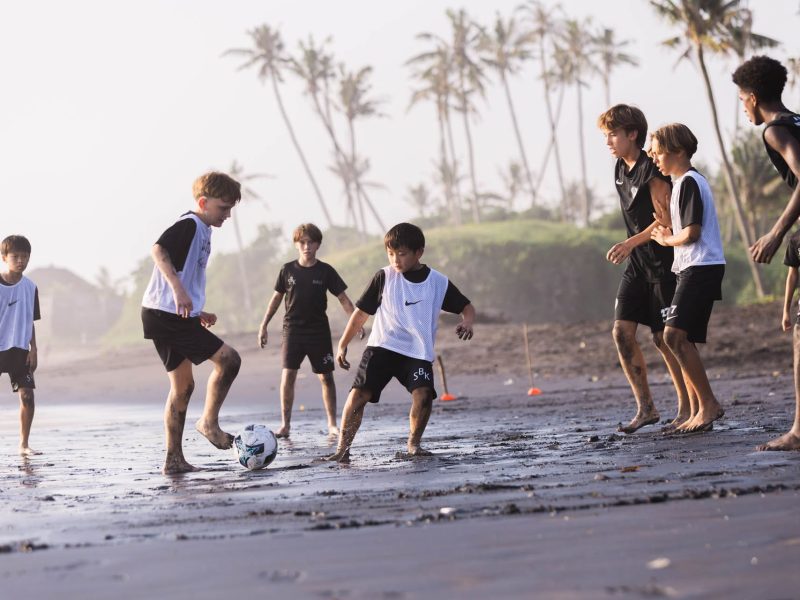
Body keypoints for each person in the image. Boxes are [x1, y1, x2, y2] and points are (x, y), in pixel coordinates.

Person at [326, 223, 475, 462]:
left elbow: (467, 307)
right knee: (358, 395)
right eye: (391, 253)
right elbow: (361, 314)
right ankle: (342, 449)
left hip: (418, 350)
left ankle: (413, 445)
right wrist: (343, 343)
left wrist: (467, 322)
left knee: (424, 394)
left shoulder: (437, 282)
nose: (395, 259)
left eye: (402, 254)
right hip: (383, 346)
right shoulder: (384, 277)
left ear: (419, 252)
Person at [597, 105, 690, 434]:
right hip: (636, 265)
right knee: (621, 333)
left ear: (632, 133)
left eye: (612, 134)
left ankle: (687, 408)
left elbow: (663, 220)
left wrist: (629, 243)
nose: (607, 140)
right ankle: (646, 408)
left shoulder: (652, 168)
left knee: (664, 339)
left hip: (663, 262)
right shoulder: (619, 168)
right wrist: (631, 247)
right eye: (606, 135)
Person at [141, 172, 242, 474]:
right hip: (166, 313)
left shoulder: (203, 229)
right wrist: (179, 291)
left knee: (183, 387)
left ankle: (173, 460)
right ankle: (209, 423)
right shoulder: (190, 224)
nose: (227, 215)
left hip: (167, 313)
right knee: (229, 360)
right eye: (223, 208)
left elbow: (186, 272)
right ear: (203, 202)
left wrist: (197, 310)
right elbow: (158, 250)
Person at [733, 55, 800, 451]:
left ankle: (798, 433)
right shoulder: (797, 120)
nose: (743, 108)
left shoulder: (775, 131)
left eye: (742, 100)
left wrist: (777, 232)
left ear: (754, 97)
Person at [650, 123, 726, 433]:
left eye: (658, 152)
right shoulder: (681, 183)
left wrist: (666, 240)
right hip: (691, 267)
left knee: (673, 336)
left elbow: (692, 233)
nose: (654, 158)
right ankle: (698, 410)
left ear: (678, 151)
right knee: (685, 339)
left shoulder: (690, 182)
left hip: (701, 266)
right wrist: (668, 228)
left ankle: (708, 405)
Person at [258, 223, 361, 438]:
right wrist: (264, 325)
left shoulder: (325, 271)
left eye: (311, 242)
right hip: (293, 331)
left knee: (326, 378)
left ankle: (332, 424)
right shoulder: (287, 270)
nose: (306, 246)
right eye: (302, 242)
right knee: (288, 376)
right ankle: (285, 425)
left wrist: (356, 322)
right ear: (296, 244)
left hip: (319, 332)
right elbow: (276, 299)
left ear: (317, 245)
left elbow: (343, 298)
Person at [0, 235, 40, 456]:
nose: (21, 261)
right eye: (15, 256)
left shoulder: (30, 287)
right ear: (4, 257)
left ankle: (24, 444)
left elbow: (29, 319)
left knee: (27, 396)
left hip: (20, 350)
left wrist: (34, 349)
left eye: (25, 256)